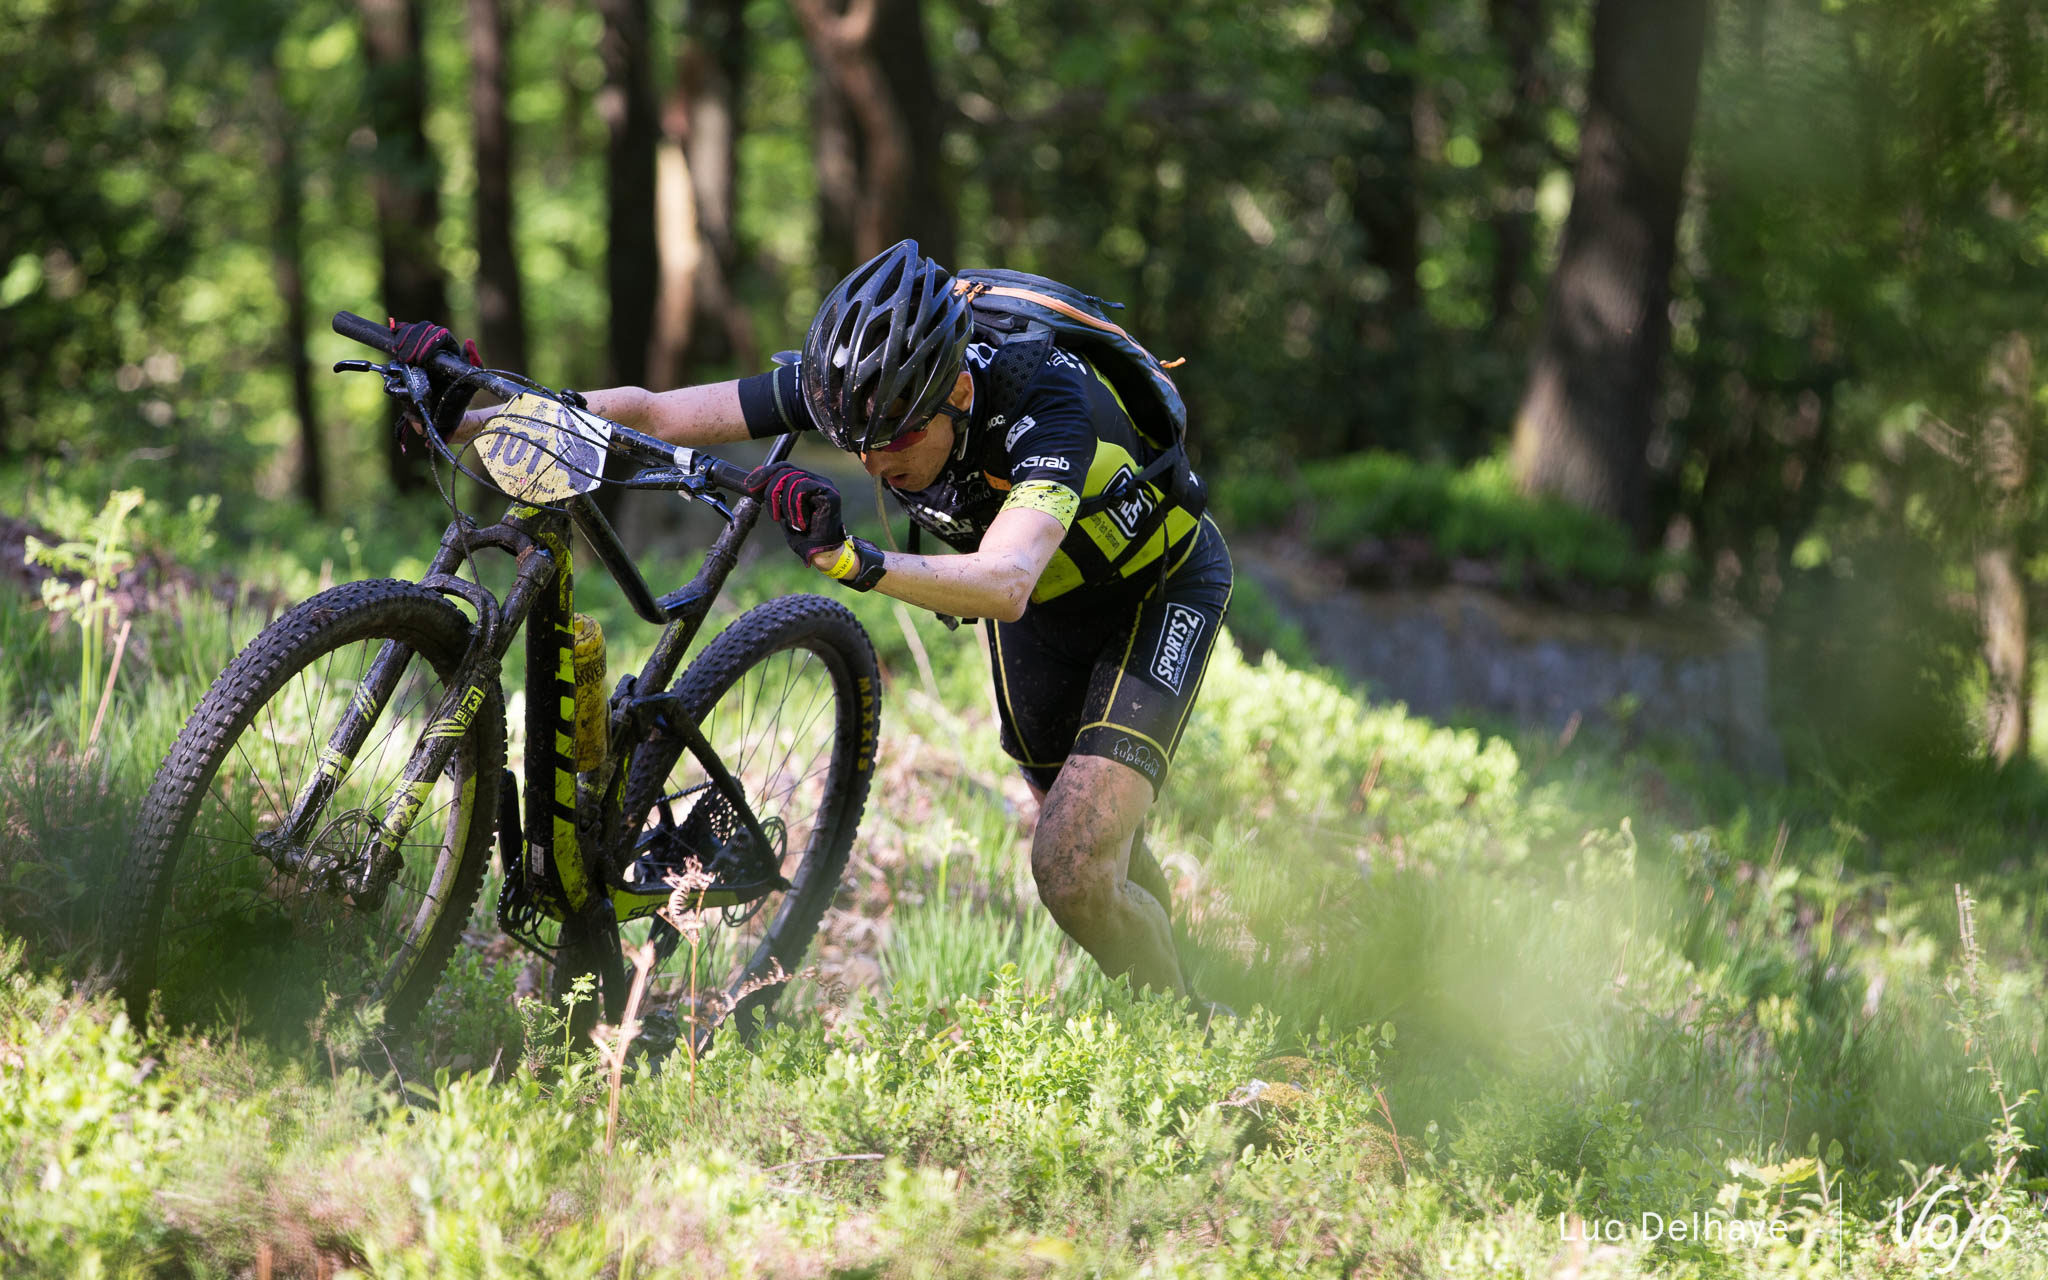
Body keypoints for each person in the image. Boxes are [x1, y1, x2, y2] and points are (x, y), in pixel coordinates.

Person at [451, 240, 1231, 1000]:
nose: (872, 464)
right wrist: (472, 416)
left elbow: (1004, 581)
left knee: (1069, 865)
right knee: (1090, 846)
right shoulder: (863, 388)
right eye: (853, 444)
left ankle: (1190, 1030)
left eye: (892, 441)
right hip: (1045, 609)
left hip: (1154, 589)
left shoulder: (1046, 405)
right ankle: (1175, 973)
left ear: (956, 395)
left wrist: (856, 561)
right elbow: (655, 411)